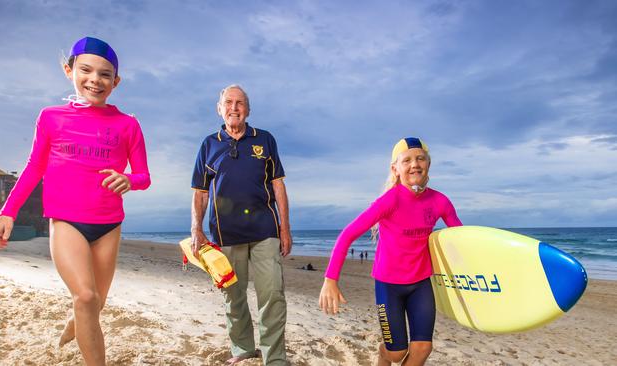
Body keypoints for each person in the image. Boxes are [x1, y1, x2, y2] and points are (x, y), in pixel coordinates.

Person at [0, 36, 151, 366]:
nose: (95, 80)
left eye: (105, 74)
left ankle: (77, 322)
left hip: (108, 225)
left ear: (115, 81)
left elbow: (143, 176)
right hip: (66, 221)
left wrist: (129, 180)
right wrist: (9, 211)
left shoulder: (128, 125)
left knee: (96, 303)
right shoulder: (51, 117)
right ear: (69, 70)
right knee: (87, 296)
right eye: (86, 70)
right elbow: (35, 167)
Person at [318, 138, 461, 366]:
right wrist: (330, 279)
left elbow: (460, 238)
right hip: (389, 286)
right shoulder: (390, 200)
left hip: (421, 283)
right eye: (407, 160)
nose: (414, 164)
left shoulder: (440, 201)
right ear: (395, 169)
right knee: (396, 353)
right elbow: (347, 235)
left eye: (420, 158)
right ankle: (383, 354)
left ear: (428, 164)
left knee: (423, 348)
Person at [190, 84, 291, 365]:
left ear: (248, 109)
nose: (234, 108)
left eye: (240, 103)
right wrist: (196, 229)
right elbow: (199, 192)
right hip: (226, 234)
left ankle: (275, 358)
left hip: (265, 230)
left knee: (272, 294)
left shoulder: (266, 140)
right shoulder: (208, 145)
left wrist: (285, 228)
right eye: (229, 103)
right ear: (219, 108)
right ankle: (243, 349)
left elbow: (278, 186)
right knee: (233, 296)